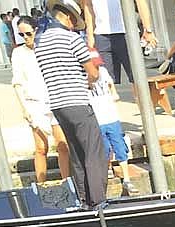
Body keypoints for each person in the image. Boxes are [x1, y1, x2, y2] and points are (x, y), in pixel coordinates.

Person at [34, 0, 109, 208]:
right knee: (94, 151)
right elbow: (93, 72)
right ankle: (98, 201)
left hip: (58, 105)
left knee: (76, 153)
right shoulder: (72, 39)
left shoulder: (40, 43)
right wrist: (89, 81)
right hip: (77, 101)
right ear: (68, 17)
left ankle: (84, 199)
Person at [12, 16, 71, 185]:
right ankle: (41, 184)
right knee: (40, 147)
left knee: (62, 145)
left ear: (36, 30)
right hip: (33, 102)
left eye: (28, 34)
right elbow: (17, 82)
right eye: (21, 35)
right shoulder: (18, 53)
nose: (25, 38)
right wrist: (24, 108)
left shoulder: (47, 47)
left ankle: (67, 182)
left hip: (53, 99)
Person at [88, 47, 136, 196]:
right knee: (104, 148)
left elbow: (110, 85)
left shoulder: (102, 71)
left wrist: (114, 93)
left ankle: (126, 178)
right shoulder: (81, 76)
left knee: (120, 146)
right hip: (97, 118)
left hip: (111, 116)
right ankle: (107, 171)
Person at [83, 0, 157, 85]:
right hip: (101, 35)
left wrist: (147, 29)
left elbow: (141, 2)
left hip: (127, 32)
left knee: (137, 78)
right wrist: (90, 35)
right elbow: (87, 5)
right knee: (106, 80)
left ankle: (141, 98)